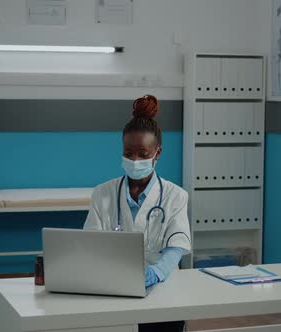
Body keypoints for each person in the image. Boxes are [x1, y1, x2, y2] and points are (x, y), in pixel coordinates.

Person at [84, 95, 191, 332]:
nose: (134, 160)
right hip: (114, 288)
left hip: (163, 289)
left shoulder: (176, 196)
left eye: (143, 154)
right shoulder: (103, 193)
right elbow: (91, 244)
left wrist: (155, 273)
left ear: (157, 153)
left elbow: (177, 247)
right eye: (128, 153)